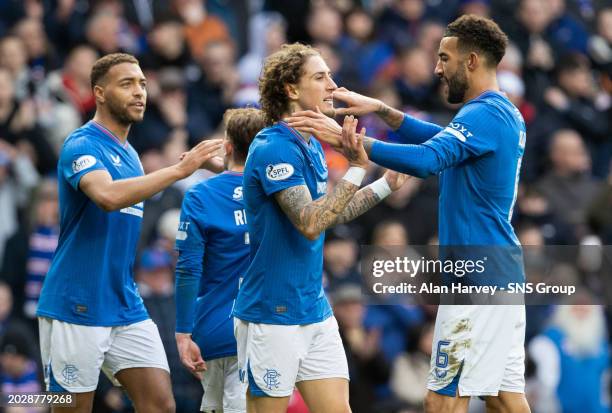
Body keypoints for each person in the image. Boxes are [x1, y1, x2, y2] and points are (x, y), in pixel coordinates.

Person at [287, 15, 530, 413]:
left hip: (476, 279)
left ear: (470, 61)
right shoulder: (500, 113)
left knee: (441, 399)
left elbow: (429, 158)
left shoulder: (483, 114)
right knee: (504, 398)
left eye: (444, 57)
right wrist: (383, 110)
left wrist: (349, 142)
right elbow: (438, 137)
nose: (436, 68)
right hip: (497, 272)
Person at [36, 53, 222, 413]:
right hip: (77, 303)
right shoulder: (82, 144)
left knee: (160, 404)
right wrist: (180, 170)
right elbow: (106, 196)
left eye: (142, 85)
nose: (139, 92)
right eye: (127, 84)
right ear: (100, 93)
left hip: (124, 303)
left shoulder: (131, 155)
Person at [233, 43, 409, 413]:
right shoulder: (273, 146)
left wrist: (382, 186)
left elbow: (330, 213)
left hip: (313, 307)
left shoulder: (311, 143)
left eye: (330, 74)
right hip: (272, 312)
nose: (332, 85)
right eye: (320, 77)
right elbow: (311, 223)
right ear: (291, 90)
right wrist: (357, 167)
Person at [174, 107, 266, 413]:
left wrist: (183, 333)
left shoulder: (199, 195)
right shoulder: (278, 192)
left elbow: (188, 269)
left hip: (210, 331)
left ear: (227, 147)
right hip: (260, 329)